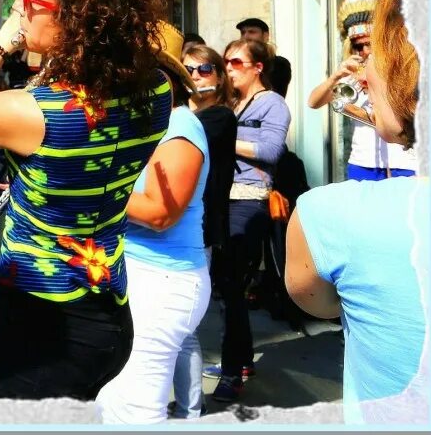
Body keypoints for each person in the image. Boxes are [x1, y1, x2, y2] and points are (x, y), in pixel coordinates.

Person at [0, 0, 174, 401]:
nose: (21, 10)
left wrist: (1, 43)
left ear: (75, 19)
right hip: (108, 309)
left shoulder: (33, 112)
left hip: (43, 324)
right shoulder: (157, 89)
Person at [287, 0, 431, 423]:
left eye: (378, 52)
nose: (367, 71)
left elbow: (322, 301)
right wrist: (339, 75)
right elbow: (319, 102)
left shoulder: (327, 213)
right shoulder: (350, 73)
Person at [96, 47, 212, 424]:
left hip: (163, 281)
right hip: (134, 271)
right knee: (113, 398)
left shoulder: (180, 127)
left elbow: (161, 213)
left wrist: (88, 185)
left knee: (135, 408)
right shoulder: (147, 125)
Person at [212, 36, 291, 403]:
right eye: (226, 62)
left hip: (250, 200)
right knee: (227, 289)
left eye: (237, 62)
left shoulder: (271, 103)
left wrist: (224, 140)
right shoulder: (232, 102)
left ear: (258, 67)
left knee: (232, 283)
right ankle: (241, 360)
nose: (229, 68)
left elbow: (271, 150)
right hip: (223, 199)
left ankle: (232, 371)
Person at [170, 41, 236, 419]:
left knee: (182, 327)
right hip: (174, 226)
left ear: (219, 77)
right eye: (188, 70)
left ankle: (190, 410)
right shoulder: (184, 115)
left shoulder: (219, 117)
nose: (195, 77)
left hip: (200, 230)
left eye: (203, 70)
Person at [307, 0, 418, 181]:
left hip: (403, 159)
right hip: (363, 160)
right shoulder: (351, 73)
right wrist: (336, 77)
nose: (365, 51)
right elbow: (313, 102)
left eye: (369, 44)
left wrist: (356, 106)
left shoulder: (397, 71)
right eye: (359, 46)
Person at [237, 17, 292, 98]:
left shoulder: (279, 64)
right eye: (243, 32)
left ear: (265, 36)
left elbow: (275, 94)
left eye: (252, 32)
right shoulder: (235, 63)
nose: (246, 36)